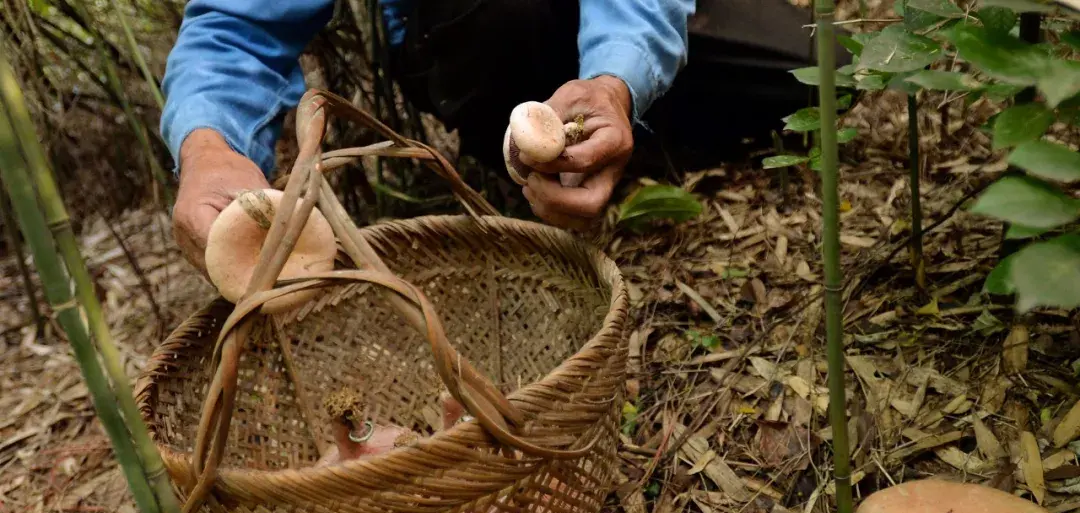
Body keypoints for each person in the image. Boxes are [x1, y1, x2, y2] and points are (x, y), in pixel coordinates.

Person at [161, 0, 834, 275]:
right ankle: (535, 146)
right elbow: (238, 26)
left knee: (818, 66)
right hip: (472, 27)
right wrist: (208, 145)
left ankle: (616, 121)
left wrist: (616, 78)